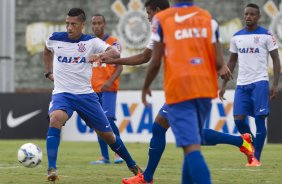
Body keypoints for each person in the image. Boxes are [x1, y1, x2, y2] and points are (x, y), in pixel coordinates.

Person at [102, 0, 254, 183]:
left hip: (182, 89)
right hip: (205, 88)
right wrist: (221, 67)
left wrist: (145, 86)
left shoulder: (163, 21)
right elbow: (217, 58)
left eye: (149, 13)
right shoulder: (208, 18)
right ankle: (147, 176)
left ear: (158, 10)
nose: (148, 17)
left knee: (192, 146)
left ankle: (241, 141)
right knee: (165, 128)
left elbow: (149, 59)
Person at [43, 8, 141, 182]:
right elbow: (46, 49)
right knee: (55, 118)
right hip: (63, 94)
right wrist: (48, 72)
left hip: (86, 95)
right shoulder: (54, 38)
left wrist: (100, 55)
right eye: (67, 24)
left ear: (82, 25)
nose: (69, 28)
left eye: (73, 24)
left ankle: (132, 165)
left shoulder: (91, 42)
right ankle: (51, 168)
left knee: (108, 136)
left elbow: (115, 53)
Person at [220, 3, 281, 167]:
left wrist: (275, 84)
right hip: (242, 84)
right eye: (246, 14)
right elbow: (231, 62)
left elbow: (276, 59)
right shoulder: (237, 37)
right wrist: (224, 84)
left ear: (258, 17)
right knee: (239, 120)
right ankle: (252, 147)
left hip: (260, 83)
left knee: (260, 121)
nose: (249, 17)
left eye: (252, 14)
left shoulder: (266, 35)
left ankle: (256, 159)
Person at [90, 14, 124, 165]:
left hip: (108, 89)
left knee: (108, 119)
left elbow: (120, 65)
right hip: (93, 89)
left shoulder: (113, 43)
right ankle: (104, 157)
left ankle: (119, 153)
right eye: (94, 23)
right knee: (98, 122)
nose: (96, 26)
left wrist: (110, 81)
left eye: (99, 23)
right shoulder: (89, 43)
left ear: (104, 25)